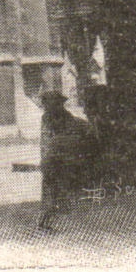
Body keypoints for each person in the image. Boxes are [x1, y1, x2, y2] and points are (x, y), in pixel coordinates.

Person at [37, 91, 90, 231]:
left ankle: (51, 222)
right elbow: (45, 141)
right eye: (46, 104)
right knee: (52, 192)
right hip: (54, 160)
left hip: (60, 160)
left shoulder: (64, 118)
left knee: (58, 192)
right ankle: (46, 221)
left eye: (51, 104)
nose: (48, 107)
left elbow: (64, 138)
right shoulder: (48, 118)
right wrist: (45, 158)